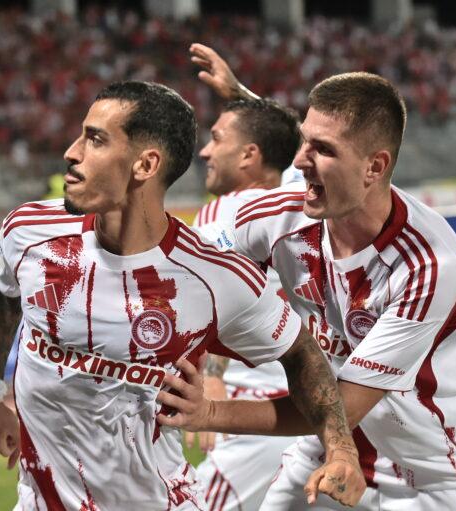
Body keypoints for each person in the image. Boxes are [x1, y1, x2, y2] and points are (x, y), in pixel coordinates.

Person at [0, 80, 366, 510]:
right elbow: (3, 289)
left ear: (145, 164)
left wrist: (340, 448)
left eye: (96, 139)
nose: (71, 152)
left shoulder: (211, 275)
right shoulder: (29, 230)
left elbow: (302, 355)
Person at [162, 46, 456, 510]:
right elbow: (177, 270)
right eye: (304, 143)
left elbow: (339, 409)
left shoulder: (427, 264)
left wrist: (208, 412)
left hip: (436, 475)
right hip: (324, 452)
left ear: (375, 167)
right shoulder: (279, 214)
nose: (300, 162)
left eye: (322, 150)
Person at [188, 93, 303, 510]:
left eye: (217, 138)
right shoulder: (301, 201)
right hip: (304, 407)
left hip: (255, 412)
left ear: (249, 155)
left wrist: (212, 375)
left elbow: (222, 299)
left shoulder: (227, 212)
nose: (205, 151)